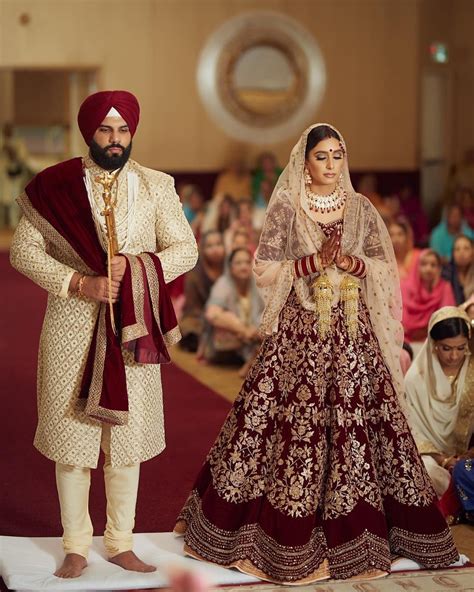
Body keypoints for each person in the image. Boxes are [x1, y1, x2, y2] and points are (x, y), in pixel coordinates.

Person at [174, 124, 458, 584]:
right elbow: (265, 268)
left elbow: (383, 264)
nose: (331, 165)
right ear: (304, 163)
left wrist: (351, 263)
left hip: (351, 330)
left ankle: (369, 532)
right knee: (289, 428)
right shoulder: (287, 206)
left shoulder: (362, 207)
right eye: (322, 156)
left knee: (359, 422)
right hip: (300, 332)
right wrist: (312, 263)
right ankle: (273, 533)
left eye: (337, 155)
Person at [9, 90, 198, 578]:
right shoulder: (53, 187)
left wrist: (136, 268)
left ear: (132, 133)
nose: (115, 141)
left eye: (123, 131)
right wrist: (80, 282)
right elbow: (23, 253)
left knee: (126, 439)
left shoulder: (157, 186)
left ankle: (119, 541)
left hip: (133, 328)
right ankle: (75, 543)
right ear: (88, 133)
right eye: (105, 131)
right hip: (72, 325)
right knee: (72, 437)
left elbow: (186, 249)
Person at [405, 307, 474, 523]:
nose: (454, 356)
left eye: (461, 348)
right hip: (432, 456)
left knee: (466, 470)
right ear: (433, 345)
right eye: (446, 348)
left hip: (468, 457)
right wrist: (443, 460)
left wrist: (470, 453)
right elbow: (411, 428)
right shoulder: (416, 379)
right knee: (422, 471)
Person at [199, 247, 263, 377]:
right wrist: (242, 330)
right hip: (232, 336)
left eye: (247, 262)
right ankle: (253, 359)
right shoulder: (223, 284)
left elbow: (267, 310)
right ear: (230, 267)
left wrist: (255, 329)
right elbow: (212, 314)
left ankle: (252, 361)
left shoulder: (257, 283)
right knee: (226, 317)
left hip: (252, 333)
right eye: (238, 263)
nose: (243, 267)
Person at [180, 230, 225, 352]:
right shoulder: (194, 275)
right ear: (203, 250)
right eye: (210, 246)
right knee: (190, 330)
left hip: (225, 317)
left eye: (219, 244)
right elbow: (192, 307)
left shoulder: (229, 269)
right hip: (199, 317)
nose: (215, 249)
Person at [402, 249, 456, 344]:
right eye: (424, 264)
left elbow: (446, 318)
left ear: (439, 269)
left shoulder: (444, 287)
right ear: (417, 266)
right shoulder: (405, 287)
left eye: (433, 265)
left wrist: (427, 331)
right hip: (405, 340)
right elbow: (401, 320)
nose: (428, 269)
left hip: (435, 340)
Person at [442, 235, 474, 305]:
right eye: (457, 249)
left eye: (466, 248)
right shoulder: (445, 274)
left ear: (473, 252)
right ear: (453, 254)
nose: (461, 253)